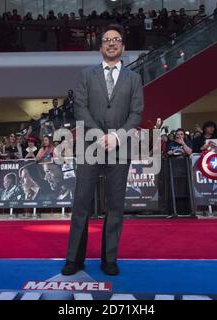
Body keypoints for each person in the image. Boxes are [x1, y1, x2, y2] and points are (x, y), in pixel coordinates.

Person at [62, 24, 144, 276]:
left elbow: (136, 112)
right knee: (81, 203)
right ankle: (74, 259)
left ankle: (109, 258)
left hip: (120, 147)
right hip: (89, 146)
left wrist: (117, 137)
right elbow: (80, 108)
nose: (111, 43)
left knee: (115, 205)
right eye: (107, 39)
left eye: (116, 39)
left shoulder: (134, 78)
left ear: (123, 46)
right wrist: (100, 135)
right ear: (100, 47)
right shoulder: (87, 74)